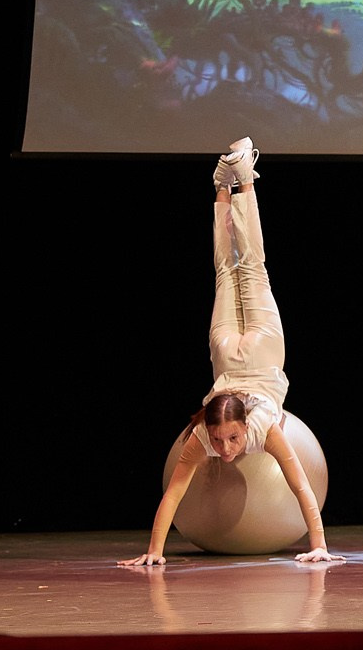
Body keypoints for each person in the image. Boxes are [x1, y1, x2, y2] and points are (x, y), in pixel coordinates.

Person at [123, 138, 338, 567]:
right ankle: (229, 182)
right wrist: (152, 553)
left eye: (231, 438)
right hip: (235, 354)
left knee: (239, 269)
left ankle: (237, 183)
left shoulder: (239, 428)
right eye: (223, 440)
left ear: (240, 421)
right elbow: (296, 486)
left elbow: (299, 485)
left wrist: (320, 545)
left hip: (251, 354)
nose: (224, 448)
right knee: (237, 270)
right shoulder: (214, 429)